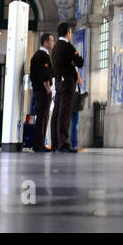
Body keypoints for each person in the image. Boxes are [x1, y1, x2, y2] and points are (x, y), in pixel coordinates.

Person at [51, 22, 84, 153]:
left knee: (57, 112)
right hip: (67, 83)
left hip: (58, 82)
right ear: (68, 32)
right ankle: (63, 143)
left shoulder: (55, 47)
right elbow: (80, 61)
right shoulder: (67, 46)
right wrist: (73, 61)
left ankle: (55, 142)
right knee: (64, 113)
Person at [29, 33, 54, 152]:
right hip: (43, 91)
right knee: (43, 117)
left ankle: (39, 144)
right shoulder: (43, 56)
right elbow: (45, 73)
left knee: (41, 117)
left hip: (38, 90)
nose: (53, 43)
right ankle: (39, 145)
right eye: (51, 41)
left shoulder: (36, 55)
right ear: (45, 42)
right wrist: (48, 88)